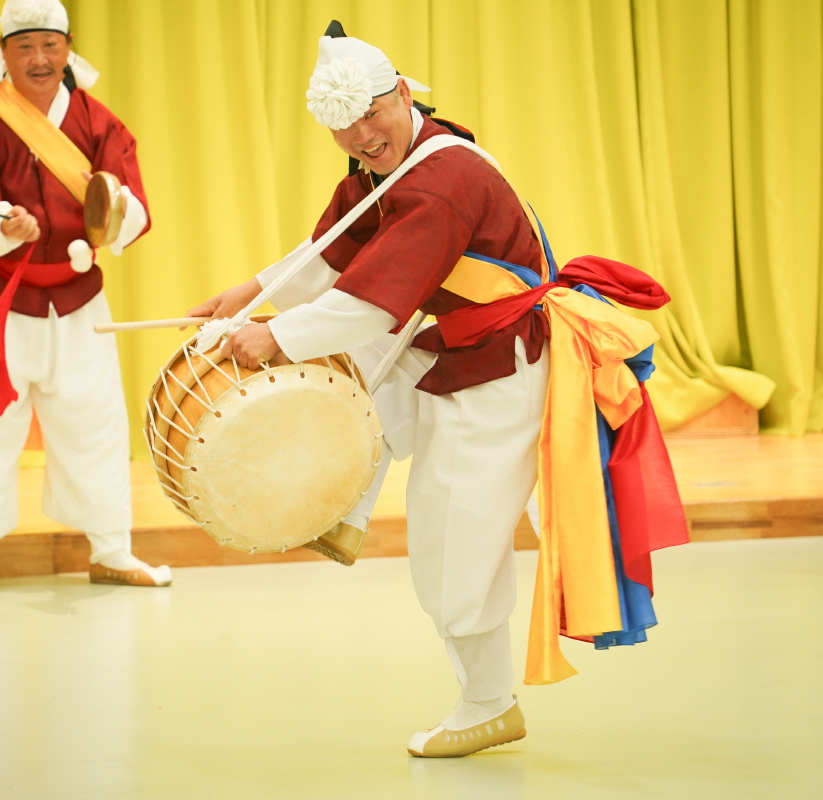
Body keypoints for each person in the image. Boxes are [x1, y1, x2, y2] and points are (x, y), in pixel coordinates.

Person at [188, 23, 687, 757]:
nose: (360, 134)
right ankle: (345, 508)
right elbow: (335, 250)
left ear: (401, 94)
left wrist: (276, 334)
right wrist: (251, 292)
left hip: (496, 371)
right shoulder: (390, 165)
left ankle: (488, 704)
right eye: (340, 124)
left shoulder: (438, 180)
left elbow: (371, 302)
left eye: (370, 112)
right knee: (375, 402)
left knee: (454, 542)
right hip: (453, 354)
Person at [0, 0, 171, 596]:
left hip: (78, 297)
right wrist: (2, 225)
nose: (38, 59)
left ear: (68, 47)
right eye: (25, 46)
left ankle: (112, 550)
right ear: (3, 53)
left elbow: (129, 205)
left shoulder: (98, 121)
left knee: (95, 420)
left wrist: (111, 208)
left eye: (49, 45)